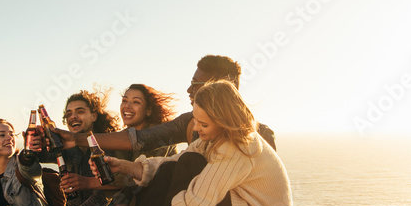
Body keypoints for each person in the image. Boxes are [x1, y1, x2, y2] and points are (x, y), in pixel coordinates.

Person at [105, 81, 292, 206]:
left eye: (204, 124)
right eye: (195, 120)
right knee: (174, 167)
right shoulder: (214, 139)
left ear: (223, 121)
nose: (196, 128)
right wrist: (124, 167)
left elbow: (195, 204)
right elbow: (172, 163)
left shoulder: (240, 145)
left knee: (191, 165)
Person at [0, 84, 178, 206]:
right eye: (124, 101)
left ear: (94, 115)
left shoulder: (117, 143)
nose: (73, 116)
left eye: (136, 102)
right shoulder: (76, 145)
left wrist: (86, 185)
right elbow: (36, 159)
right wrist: (29, 151)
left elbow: (119, 187)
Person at [55, 55, 276, 156]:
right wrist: (76, 139)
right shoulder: (188, 123)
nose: (189, 91)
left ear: (224, 87)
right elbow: (139, 140)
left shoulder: (262, 135)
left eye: (196, 85)